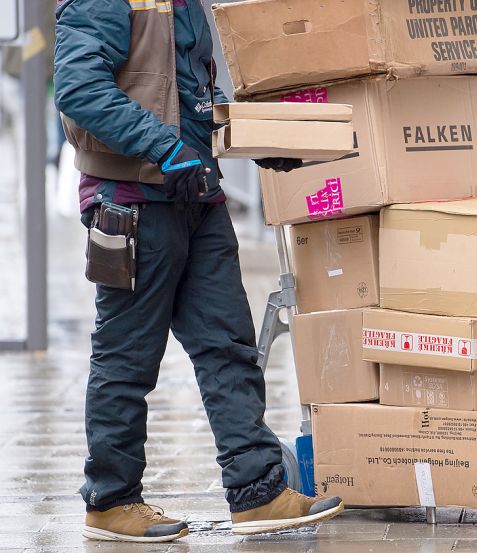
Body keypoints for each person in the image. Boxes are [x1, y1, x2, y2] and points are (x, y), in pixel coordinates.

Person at [53, 0, 340, 543]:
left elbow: (187, 96)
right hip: (133, 201)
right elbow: (80, 90)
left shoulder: (183, 4)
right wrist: (165, 150)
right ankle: (111, 501)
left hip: (195, 195)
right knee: (127, 357)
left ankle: (258, 492)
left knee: (227, 343)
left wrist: (255, 140)